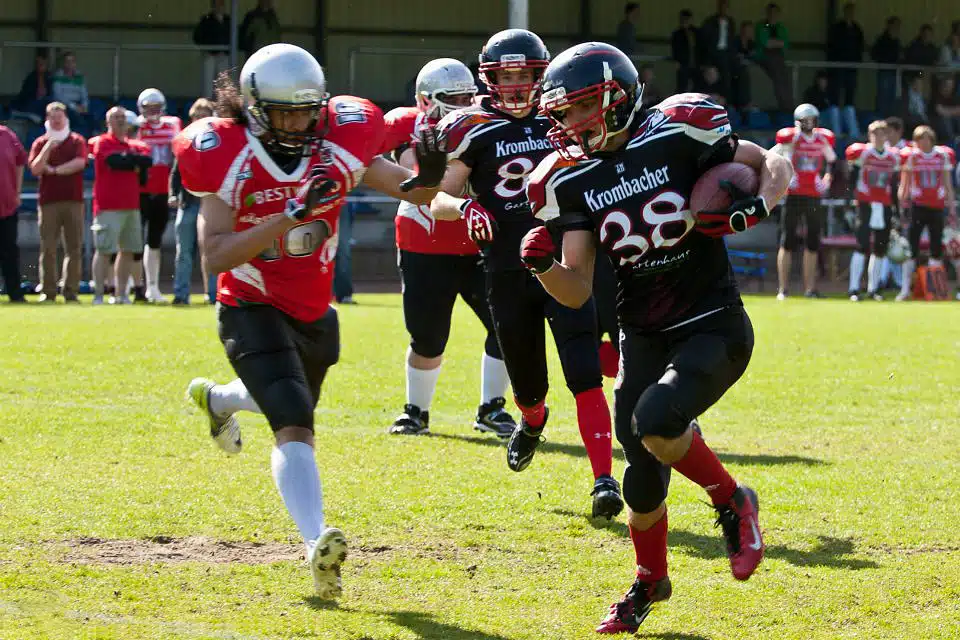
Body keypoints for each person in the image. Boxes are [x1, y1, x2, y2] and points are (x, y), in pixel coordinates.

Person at [525, 42, 791, 633]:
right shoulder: (567, 181)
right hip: (642, 333)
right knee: (641, 476)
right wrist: (542, 266)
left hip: (711, 323)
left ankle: (731, 500)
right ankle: (651, 581)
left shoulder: (681, 129)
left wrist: (761, 204)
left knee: (657, 417)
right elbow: (575, 290)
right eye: (561, 114)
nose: (567, 126)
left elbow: (772, 160)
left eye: (577, 109)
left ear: (613, 99)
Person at [175, 43, 446, 598]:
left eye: (306, 111)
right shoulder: (224, 152)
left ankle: (220, 401)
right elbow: (216, 256)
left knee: (284, 397)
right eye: (284, 113)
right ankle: (316, 543)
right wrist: (292, 212)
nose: (298, 124)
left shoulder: (339, 140)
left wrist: (436, 168)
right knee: (294, 420)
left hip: (314, 308)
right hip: (249, 302)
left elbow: (413, 190)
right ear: (253, 109)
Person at [429, 29, 623, 520]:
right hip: (506, 269)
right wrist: (466, 205)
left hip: (566, 258)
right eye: (506, 77)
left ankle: (604, 479)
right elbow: (439, 196)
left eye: (526, 76)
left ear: (543, 77)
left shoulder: (563, 115)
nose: (516, 86)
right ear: (489, 79)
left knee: (585, 376)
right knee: (528, 387)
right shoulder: (470, 126)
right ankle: (532, 420)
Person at [381, 58, 516, 438]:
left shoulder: (483, 123)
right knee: (427, 336)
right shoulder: (406, 125)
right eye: (453, 98)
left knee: (505, 326)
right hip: (423, 244)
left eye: (468, 96)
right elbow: (413, 178)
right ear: (426, 100)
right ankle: (416, 412)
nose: (463, 104)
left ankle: (492, 408)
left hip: (477, 244)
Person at [88, 107, 153, 305]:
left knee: (128, 250)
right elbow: (114, 162)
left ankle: (121, 294)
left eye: (123, 118)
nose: (120, 121)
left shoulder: (134, 145)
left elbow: (147, 161)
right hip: (108, 205)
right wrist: (132, 163)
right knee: (105, 250)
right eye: (116, 118)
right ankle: (99, 294)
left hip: (131, 205)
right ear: (108, 122)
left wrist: (129, 161)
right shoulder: (103, 141)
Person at [773, 104, 836, 299]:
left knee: (813, 242)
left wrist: (827, 177)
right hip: (793, 194)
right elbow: (771, 156)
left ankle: (810, 289)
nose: (809, 124)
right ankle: (783, 289)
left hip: (813, 195)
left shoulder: (822, 138)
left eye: (812, 120)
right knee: (787, 240)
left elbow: (832, 159)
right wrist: (785, 176)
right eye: (805, 120)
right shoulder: (790, 138)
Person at [27, 102, 87, 303]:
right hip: (48, 202)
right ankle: (48, 291)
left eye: (59, 116)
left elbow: (80, 163)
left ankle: (71, 291)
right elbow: (35, 169)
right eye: (52, 116)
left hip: (73, 201)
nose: (56, 120)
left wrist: (54, 170)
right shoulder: (39, 142)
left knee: (74, 248)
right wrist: (47, 149)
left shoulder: (77, 140)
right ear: (47, 119)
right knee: (48, 247)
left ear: (65, 117)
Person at [896, 126, 956, 300]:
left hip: (936, 206)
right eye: (919, 139)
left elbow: (947, 184)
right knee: (911, 248)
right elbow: (904, 183)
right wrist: (901, 204)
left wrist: (951, 208)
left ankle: (934, 288)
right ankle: (905, 289)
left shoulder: (942, 155)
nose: (922, 143)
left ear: (931, 140)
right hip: (917, 206)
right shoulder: (912, 156)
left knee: (936, 247)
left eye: (925, 139)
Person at [844, 120, 900, 301]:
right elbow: (852, 179)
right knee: (862, 245)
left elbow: (893, 184)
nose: (878, 137)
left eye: (882, 134)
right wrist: (849, 202)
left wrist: (896, 208)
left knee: (880, 248)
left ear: (886, 136)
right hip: (865, 204)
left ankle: (874, 288)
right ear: (869, 136)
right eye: (874, 134)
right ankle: (853, 288)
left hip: (884, 204)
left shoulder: (893, 157)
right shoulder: (863, 153)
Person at [136, 88, 183, 302]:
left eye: (156, 107)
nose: (152, 112)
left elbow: (177, 151)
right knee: (135, 240)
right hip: (140, 189)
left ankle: (152, 286)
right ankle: (131, 284)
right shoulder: (136, 126)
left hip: (163, 189)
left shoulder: (172, 124)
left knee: (154, 240)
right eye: (148, 108)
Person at [170, 98, 216, 305]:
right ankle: (181, 294)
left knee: (211, 250)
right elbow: (175, 172)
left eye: (204, 114)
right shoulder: (185, 140)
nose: (200, 119)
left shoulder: (219, 140)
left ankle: (214, 295)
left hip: (210, 203)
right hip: (188, 202)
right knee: (183, 252)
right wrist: (173, 194)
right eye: (197, 115)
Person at [826, 2, 864, 137]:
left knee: (850, 98)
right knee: (835, 97)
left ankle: (853, 131)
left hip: (851, 68)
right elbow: (830, 47)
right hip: (837, 68)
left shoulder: (857, 29)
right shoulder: (837, 28)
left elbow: (860, 48)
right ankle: (835, 130)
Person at [0, 123, 27, 303]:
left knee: (9, 251)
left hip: (6, 204)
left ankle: (15, 293)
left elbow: (20, 162)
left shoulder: (7, 135)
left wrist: (17, 192)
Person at [754, 3, 792, 112]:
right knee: (779, 74)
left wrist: (773, 43)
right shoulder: (761, 26)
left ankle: (786, 105)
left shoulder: (781, 28)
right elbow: (765, 43)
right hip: (763, 57)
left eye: (775, 13)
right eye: (770, 13)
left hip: (779, 58)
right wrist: (777, 43)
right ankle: (786, 106)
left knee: (783, 77)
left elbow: (785, 44)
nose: (772, 15)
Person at [193, 0, 231, 97]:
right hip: (210, 55)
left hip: (223, 55)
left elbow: (233, 37)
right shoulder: (206, 19)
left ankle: (223, 105)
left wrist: (227, 51)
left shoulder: (228, 20)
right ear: (212, 6)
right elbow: (197, 37)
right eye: (217, 5)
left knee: (224, 84)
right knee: (208, 83)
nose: (219, 7)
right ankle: (207, 104)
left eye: (221, 4)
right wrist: (207, 49)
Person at [700, 0, 735, 103]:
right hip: (713, 52)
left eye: (726, 7)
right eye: (722, 7)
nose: (724, 10)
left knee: (726, 77)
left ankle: (725, 101)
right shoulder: (710, 21)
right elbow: (705, 40)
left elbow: (731, 40)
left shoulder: (731, 22)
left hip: (725, 53)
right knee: (710, 77)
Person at [51, 51, 92, 133]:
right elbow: (58, 96)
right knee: (77, 118)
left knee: (92, 113)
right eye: (67, 61)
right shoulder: (58, 76)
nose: (70, 64)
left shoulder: (79, 76)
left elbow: (84, 94)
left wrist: (84, 106)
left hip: (79, 104)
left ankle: (95, 133)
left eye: (72, 61)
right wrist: (74, 107)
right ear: (64, 63)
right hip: (65, 106)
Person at [871, 17, 902, 117]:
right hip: (884, 72)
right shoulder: (882, 39)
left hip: (894, 72)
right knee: (883, 98)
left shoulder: (897, 41)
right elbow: (874, 54)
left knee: (892, 98)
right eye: (895, 25)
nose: (896, 28)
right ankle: (880, 120)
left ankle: (890, 121)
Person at [13, 53, 52, 123]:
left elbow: (50, 94)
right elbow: (25, 95)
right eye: (39, 63)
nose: (41, 65)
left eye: (43, 63)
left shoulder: (49, 77)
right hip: (32, 103)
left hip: (45, 103)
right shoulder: (31, 77)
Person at [670, 10, 700, 94]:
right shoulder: (677, 34)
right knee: (682, 86)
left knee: (696, 86)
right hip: (683, 64)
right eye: (683, 19)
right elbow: (675, 49)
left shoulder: (696, 32)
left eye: (686, 19)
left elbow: (700, 48)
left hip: (695, 63)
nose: (684, 21)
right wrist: (676, 61)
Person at [732, 20, 754, 110]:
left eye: (750, 30)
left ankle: (747, 104)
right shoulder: (735, 41)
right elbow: (734, 55)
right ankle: (742, 104)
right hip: (736, 67)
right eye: (746, 30)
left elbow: (753, 56)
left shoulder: (751, 43)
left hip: (747, 66)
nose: (748, 32)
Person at [931, 76, 960, 144]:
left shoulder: (954, 97)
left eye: (951, 85)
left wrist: (948, 111)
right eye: (947, 85)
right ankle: (952, 140)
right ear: (942, 85)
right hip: (937, 124)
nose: (950, 87)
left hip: (953, 123)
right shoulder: (936, 96)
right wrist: (953, 111)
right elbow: (941, 111)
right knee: (945, 118)